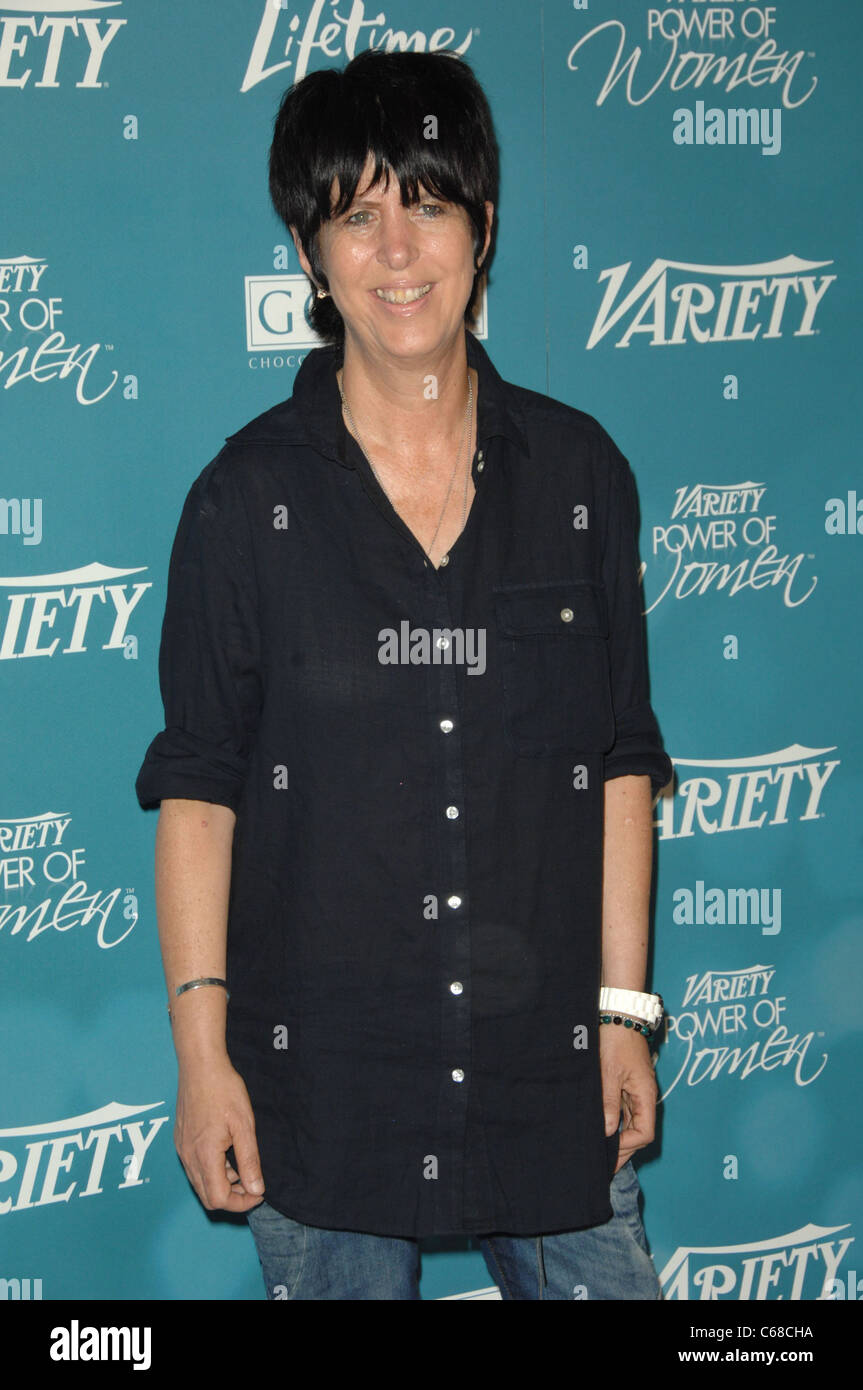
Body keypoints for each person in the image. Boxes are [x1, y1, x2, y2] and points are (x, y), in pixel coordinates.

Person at [135, 48, 673, 1301]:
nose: (395, 250)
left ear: (481, 228)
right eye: (355, 215)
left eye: (424, 204)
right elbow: (200, 790)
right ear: (308, 252)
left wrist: (623, 1013)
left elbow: (620, 764)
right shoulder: (242, 500)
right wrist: (203, 1054)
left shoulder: (580, 477)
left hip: (549, 1086)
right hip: (323, 1091)